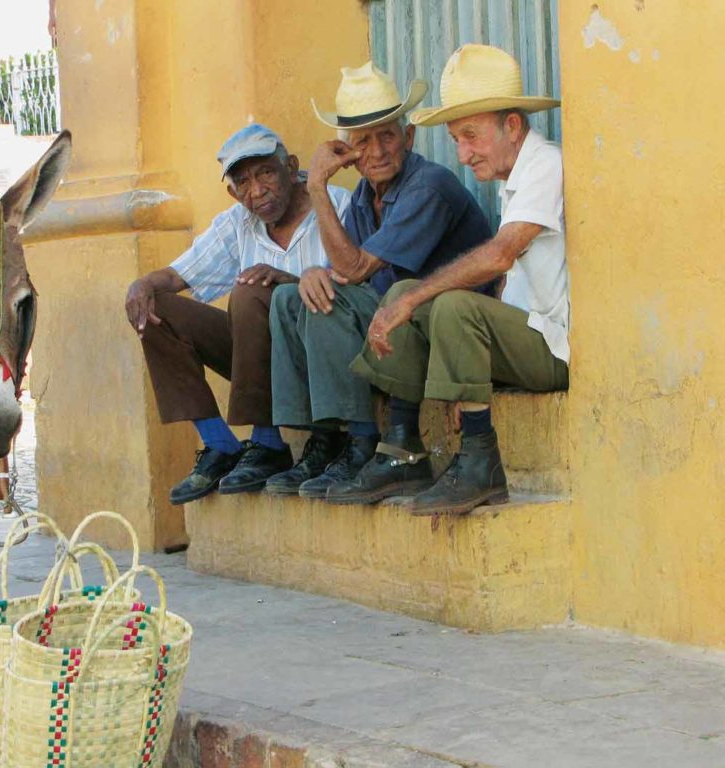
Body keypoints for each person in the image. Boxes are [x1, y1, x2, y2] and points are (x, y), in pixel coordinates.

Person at [345, 43, 569, 515]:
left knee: (441, 302)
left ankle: (480, 459)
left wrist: (417, 304)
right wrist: (455, 366)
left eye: (471, 136)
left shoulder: (545, 163)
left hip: (556, 349)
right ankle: (403, 445)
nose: (463, 155)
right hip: (526, 337)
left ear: (511, 126)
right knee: (404, 291)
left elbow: (501, 256)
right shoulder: (516, 175)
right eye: (456, 140)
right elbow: (514, 285)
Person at [264, 62, 492, 501]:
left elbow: (354, 270)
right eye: (363, 141)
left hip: (445, 333)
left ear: (409, 138)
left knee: (328, 303)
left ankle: (363, 441)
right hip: (396, 328)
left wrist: (316, 187)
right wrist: (314, 272)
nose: (378, 150)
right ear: (348, 151)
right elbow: (342, 269)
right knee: (291, 298)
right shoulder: (366, 198)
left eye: (388, 135)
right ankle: (324, 438)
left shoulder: (428, 186)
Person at [125, 124, 350, 505]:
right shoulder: (237, 223)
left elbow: (355, 284)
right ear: (232, 192)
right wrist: (142, 285)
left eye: (266, 173)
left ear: (291, 168)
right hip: (259, 359)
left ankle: (265, 441)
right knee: (156, 309)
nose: (257, 191)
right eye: (243, 182)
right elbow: (178, 274)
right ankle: (219, 444)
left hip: (320, 356)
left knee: (250, 291)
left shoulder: (337, 203)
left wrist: (288, 282)